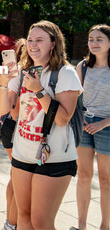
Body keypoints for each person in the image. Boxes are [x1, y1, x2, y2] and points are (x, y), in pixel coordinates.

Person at [0, 20, 82, 230]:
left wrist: (38, 89)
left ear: (53, 43)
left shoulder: (65, 73)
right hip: (23, 153)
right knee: (24, 217)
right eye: (30, 40)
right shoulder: (22, 71)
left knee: (41, 222)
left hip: (55, 157)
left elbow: (62, 119)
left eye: (39, 40)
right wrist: (4, 81)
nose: (33, 44)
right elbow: (3, 110)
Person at [73, 24, 110, 230]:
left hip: (108, 126)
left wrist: (103, 123)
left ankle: (105, 225)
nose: (94, 43)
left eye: (99, 39)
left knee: (105, 180)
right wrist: (81, 118)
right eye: (91, 39)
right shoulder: (83, 67)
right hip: (85, 125)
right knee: (84, 176)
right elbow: (76, 97)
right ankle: (81, 225)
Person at [0, 37, 26, 230]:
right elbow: (14, 112)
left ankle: (10, 220)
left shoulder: (14, 73)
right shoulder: (21, 75)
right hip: (16, 129)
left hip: (8, 129)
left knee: (14, 176)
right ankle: (12, 222)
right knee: (18, 180)